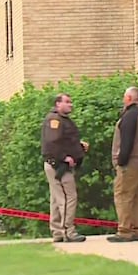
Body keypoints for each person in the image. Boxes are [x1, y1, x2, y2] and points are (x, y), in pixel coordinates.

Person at [108, 86, 138, 242]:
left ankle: (124, 230)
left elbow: (126, 141)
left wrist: (120, 162)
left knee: (123, 195)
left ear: (128, 98)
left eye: (124, 97)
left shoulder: (130, 116)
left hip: (131, 161)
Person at [41, 93, 89, 243]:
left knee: (56, 199)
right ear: (57, 104)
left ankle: (57, 232)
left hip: (55, 163)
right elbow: (52, 142)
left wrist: (79, 147)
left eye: (71, 102)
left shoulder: (62, 120)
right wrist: (64, 157)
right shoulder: (54, 120)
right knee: (69, 197)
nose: (70, 105)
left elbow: (63, 141)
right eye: (67, 102)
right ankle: (68, 231)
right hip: (59, 165)